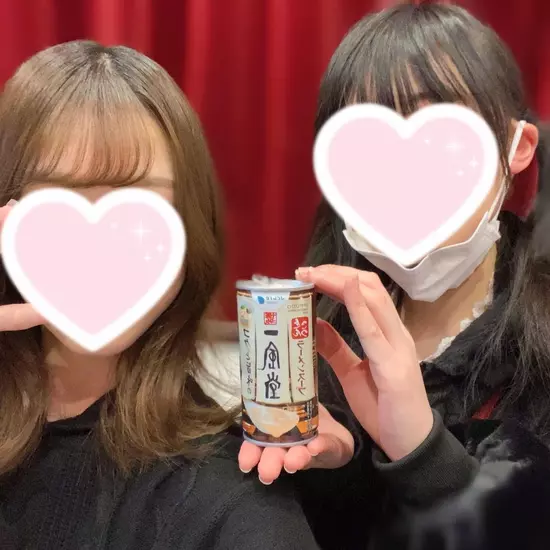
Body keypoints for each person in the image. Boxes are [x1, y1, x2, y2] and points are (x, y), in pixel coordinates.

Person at [239, 4, 550, 549]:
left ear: (516, 148)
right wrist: (339, 466)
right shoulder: (319, 333)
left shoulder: (537, 348)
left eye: (442, 140)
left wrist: (422, 451)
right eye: (367, 149)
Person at [0, 41, 320, 550]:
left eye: (140, 207)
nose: (100, 248)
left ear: (189, 233)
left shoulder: (228, 499)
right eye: (60, 201)